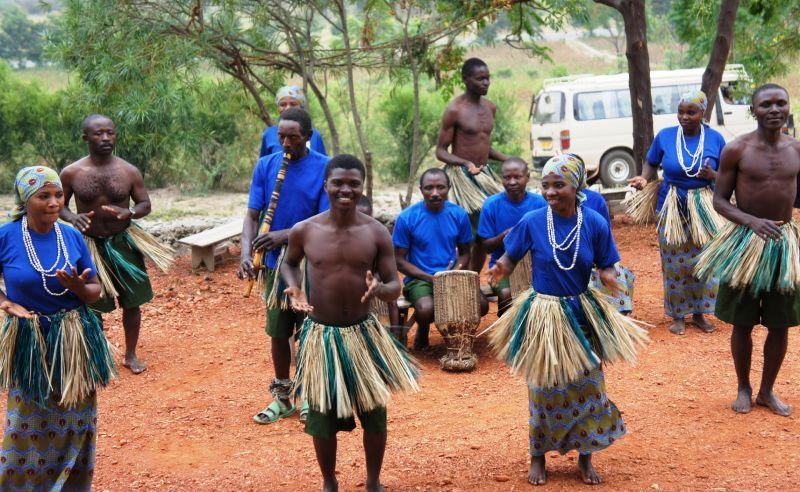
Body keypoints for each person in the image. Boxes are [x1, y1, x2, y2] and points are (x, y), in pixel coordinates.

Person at [488, 157, 647, 486]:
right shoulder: (532, 221)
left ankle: (586, 457)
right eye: (545, 185)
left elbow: (605, 264)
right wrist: (500, 269)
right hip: (544, 313)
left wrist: (611, 276)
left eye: (558, 185)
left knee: (588, 384)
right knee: (543, 387)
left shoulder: (593, 222)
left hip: (582, 311)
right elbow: (509, 256)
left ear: (576, 187)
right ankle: (538, 455)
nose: (549, 191)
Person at [282, 154, 418, 492]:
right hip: (321, 336)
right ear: (326, 185)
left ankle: (373, 481)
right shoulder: (305, 230)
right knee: (322, 417)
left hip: (363, 334)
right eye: (338, 183)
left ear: (362, 187)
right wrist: (295, 287)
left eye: (353, 184)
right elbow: (289, 263)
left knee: (374, 412)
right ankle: (329, 482)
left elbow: (395, 285)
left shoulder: (375, 233)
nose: (346, 189)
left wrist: (378, 289)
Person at [0, 166, 116, 490]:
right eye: (44, 196)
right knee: (26, 421)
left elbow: (95, 290)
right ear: (26, 199)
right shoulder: (7, 236)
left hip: (74, 339)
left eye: (58, 195)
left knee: (75, 421)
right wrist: (7, 303)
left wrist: (79, 288)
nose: (54, 203)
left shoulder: (71, 235)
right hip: (30, 339)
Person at [698, 83, 800, 417]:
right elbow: (719, 201)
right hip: (745, 242)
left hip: (782, 243)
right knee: (741, 322)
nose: (774, 110)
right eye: (766, 104)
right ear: (753, 110)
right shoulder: (737, 149)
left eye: (780, 103)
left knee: (780, 323)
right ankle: (744, 387)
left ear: (788, 107)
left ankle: (768, 391)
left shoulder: (797, 149)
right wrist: (751, 221)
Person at [238, 107, 330, 424]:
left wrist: (285, 234)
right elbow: (252, 215)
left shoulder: (324, 167)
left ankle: (309, 395)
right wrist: (245, 254)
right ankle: (282, 396)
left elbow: (325, 220)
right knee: (279, 331)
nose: (285, 143)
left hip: (313, 262)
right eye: (281, 137)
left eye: (292, 137)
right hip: (277, 265)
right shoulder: (267, 165)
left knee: (309, 330)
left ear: (308, 136)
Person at [60, 114, 171, 375]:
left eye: (110, 132)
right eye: (99, 133)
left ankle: (130, 355)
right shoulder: (72, 173)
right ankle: (98, 354)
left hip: (123, 243)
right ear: (85, 137)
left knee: (132, 302)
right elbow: (61, 206)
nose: (106, 138)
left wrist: (129, 213)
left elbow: (145, 204)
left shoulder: (128, 171)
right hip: (89, 246)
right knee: (93, 303)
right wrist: (72, 218)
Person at [628, 90, 727, 335]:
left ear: (702, 113)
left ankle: (700, 313)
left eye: (690, 112)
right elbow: (651, 163)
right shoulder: (665, 136)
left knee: (702, 259)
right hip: (671, 203)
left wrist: (712, 176)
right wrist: (644, 177)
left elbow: (727, 174)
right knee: (674, 261)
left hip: (703, 205)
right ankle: (678, 315)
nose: (684, 116)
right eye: (681, 111)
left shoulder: (715, 139)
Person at [393, 168, 487, 350]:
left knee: (481, 305)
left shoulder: (459, 214)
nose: (435, 193)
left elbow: (466, 251)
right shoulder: (407, 218)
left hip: (452, 275)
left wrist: (456, 272)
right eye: (429, 188)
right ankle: (423, 326)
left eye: (440, 187)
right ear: (421, 189)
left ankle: (460, 334)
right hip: (420, 279)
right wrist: (431, 278)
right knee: (426, 310)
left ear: (448, 188)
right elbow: (399, 260)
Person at [436, 57, 509, 272]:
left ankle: (473, 280)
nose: (486, 83)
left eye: (488, 78)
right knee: (466, 236)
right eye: (480, 79)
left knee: (483, 235)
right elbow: (440, 151)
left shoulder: (490, 108)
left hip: (483, 177)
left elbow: (483, 146)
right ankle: (457, 278)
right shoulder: (455, 110)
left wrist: (508, 160)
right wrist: (466, 163)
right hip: (462, 179)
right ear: (466, 80)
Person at [477, 157, 546, 315]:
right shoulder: (491, 204)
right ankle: (506, 326)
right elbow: (486, 246)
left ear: (527, 177)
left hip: (535, 267)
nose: (512, 182)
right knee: (508, 294)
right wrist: (506, 235)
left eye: (517, 177)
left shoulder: (540, 203)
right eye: (507, 177)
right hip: (501, 268)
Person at [357, 196, 404, 342]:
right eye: (358, 216)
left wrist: (376, 278)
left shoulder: (378, 237)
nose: (362, 221)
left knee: (391, 298)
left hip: (376, 286)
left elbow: (386, 268)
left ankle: (394, 336)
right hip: (353, 290)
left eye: (366, 216)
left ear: (372, 215)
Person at [259, 85, 327, 157]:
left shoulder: (314, 134)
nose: (288, 108)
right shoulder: (269, 134)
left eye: (293, 104)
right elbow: (265, 163)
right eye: (283, 104)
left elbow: (323, 164)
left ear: (301, 107)